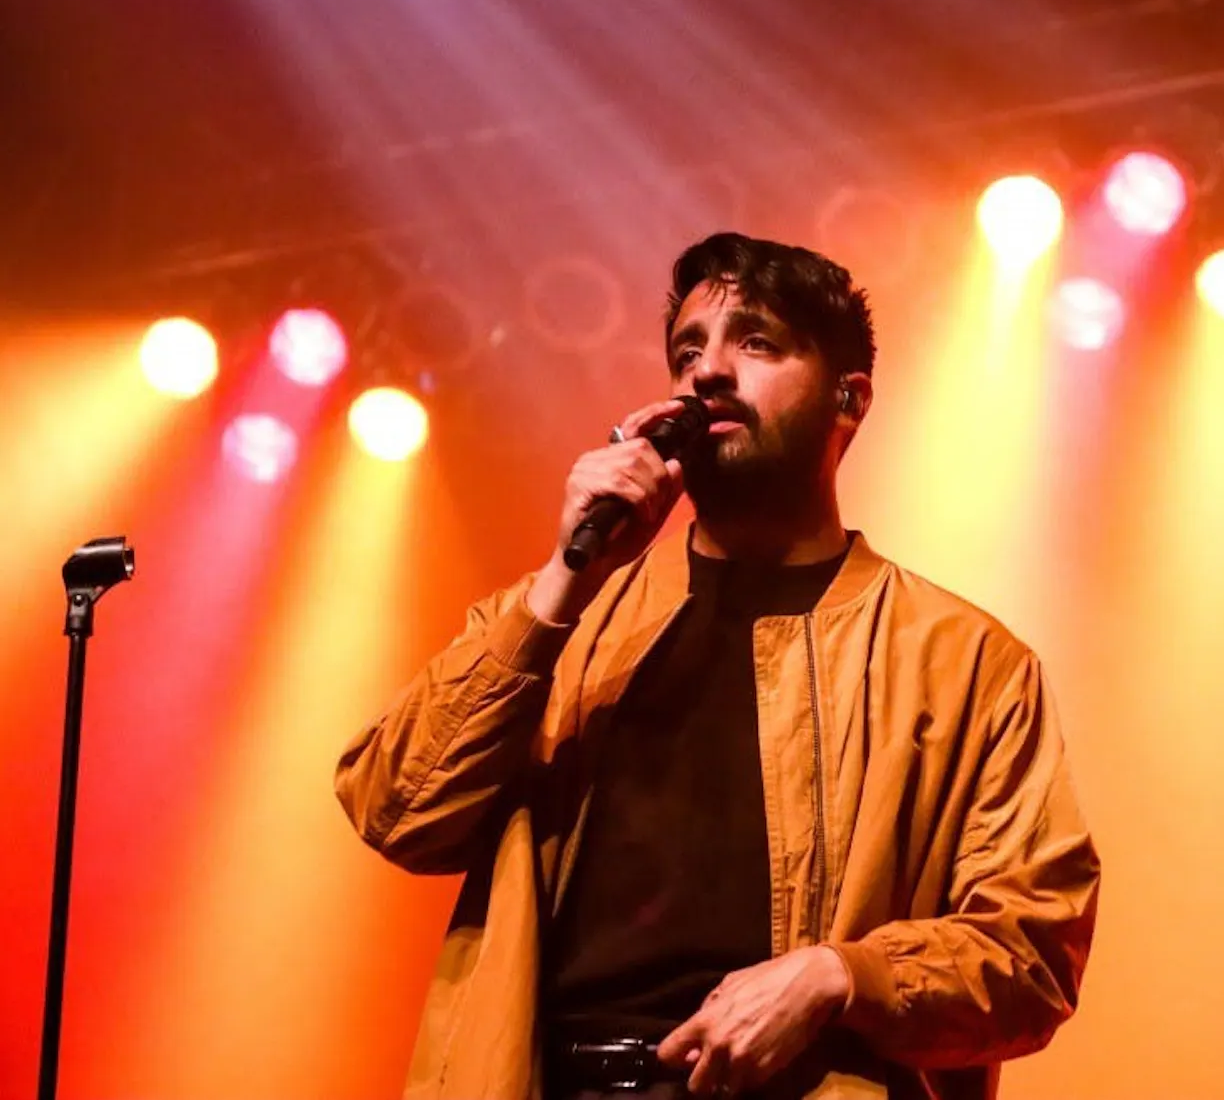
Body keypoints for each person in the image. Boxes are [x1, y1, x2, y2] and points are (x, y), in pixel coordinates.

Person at [335, 233, 1101, 1100]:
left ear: (849, 400)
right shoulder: (568, 617)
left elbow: (1033, 951)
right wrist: (564, 580)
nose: (706, 372)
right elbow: (394, 807)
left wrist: (837, 976)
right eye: (687, 350)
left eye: (758, 343)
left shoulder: (969, 664)